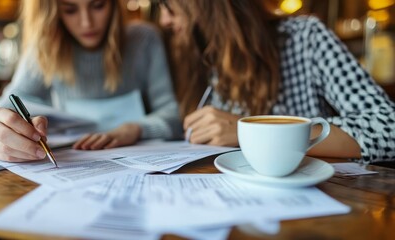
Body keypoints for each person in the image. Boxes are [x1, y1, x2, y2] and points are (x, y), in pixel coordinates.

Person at [158, 0, 395, 163]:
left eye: (169, 6)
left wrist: (252, 130)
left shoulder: (305, 38)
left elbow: (389, 128)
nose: (164, 20)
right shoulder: (207, 62)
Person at [0, 0, 182, 162]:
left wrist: (134, 130)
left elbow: (172, 115)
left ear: (115, 5)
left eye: (98, 5)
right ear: (54, 11)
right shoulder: (46, 48)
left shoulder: (145, 39)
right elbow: (3, 110)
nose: (87, 23)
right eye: (70, 9)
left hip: (146, 165)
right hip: (79, 166)